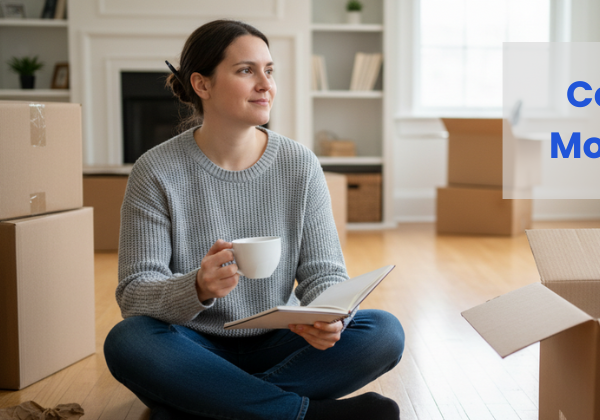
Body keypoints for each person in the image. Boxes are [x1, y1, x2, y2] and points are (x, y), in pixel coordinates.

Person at [102, 20, 404, 420]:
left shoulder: (299, 164)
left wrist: (329, 317)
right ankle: (304, 415)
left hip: (282, 340)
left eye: (270, 70)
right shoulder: (155, 170)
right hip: (192, 344)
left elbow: (324, 272)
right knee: (128, 341)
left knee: (383, 332)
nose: (266, 84)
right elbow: (136, 292)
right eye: (247, 70)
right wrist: (196, 286)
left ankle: (207, 405)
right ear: (202, 85)